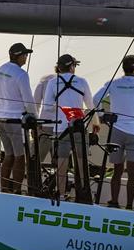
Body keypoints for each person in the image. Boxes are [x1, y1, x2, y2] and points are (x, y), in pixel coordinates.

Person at [92, 54, 134, 209]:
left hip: (117, 131)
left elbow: (95, 99)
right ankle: (128, 206)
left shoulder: (113, 83)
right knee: (133, 172)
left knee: (117, 170)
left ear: (123, 68)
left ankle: (114, 202)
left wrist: (102, 115)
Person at [43, 54, 100, 200]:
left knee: (62, 162)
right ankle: (83, 195)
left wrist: (61, 108)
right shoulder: (82, 81)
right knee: (81, 162)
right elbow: (90, 106)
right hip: (79, 129)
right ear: (72, 66)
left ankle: (61, 195)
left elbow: (48, 107)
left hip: (61, 129)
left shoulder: (52, 82)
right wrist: (96, 122)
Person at [0, 42, 36, 193]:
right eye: (25, 55)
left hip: (1, 120)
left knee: (8, 155)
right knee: (20, 157)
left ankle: (4, 189)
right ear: (18, 56)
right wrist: (34, 119)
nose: (26, 58)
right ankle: (17, 191)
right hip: (15, 121)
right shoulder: (21, 74)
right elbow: (28, 100)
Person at [33, 67, 58, 163]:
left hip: (45, 124)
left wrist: (36, 122)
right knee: (60, 160)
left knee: (38, 157)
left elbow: (36, 102)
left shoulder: (45, 79)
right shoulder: (73, 81)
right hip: (62, 126)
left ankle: (32, 176)